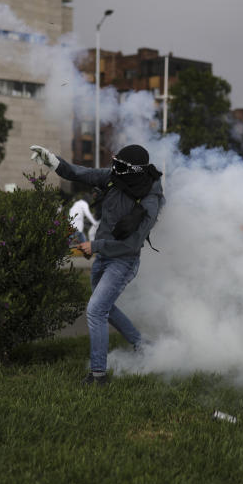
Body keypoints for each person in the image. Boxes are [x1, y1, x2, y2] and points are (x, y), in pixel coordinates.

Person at [30, 143, 165, 386]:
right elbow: (81, 173)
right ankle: (143, 346)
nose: (114, 167)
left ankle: (98, 375)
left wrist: (97, 246)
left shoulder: (150, 201)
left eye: (120, 165)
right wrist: (54, 162)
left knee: (96, 310)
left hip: (123, 261)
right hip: (103, 256)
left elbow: (132, 245)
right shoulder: (115, 177)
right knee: (105, 308)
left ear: (132, 170)